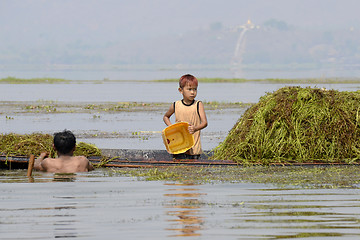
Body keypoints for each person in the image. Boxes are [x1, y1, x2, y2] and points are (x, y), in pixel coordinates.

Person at [163, 74, 208, 159]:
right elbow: (166, 117)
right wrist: (171, 127)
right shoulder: (176, 105)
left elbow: (205, 123)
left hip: (194, 149)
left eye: (195, 89)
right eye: (189, 89)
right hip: (179, 146)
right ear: (181, 90)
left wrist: (195, 128)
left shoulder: (198, 104)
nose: (192, 92)